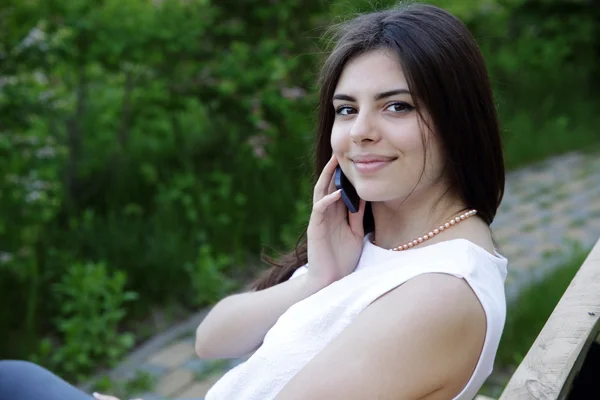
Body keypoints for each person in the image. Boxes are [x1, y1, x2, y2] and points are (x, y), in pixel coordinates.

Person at [0, 2, 507, 400]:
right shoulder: (375, 241)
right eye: (346, 109)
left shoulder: (440, 292)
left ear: (457, 117)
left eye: (397, 106)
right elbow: (211, 338)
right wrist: (318, 278)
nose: (360, 133)